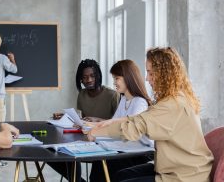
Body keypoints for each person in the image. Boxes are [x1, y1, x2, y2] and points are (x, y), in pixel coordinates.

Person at [88, 47, 214, 182]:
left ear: (164, 74)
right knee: (120, 175)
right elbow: (145, 117)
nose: (147, 78)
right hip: (175, 168)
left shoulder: (172, 105)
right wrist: (110, 122)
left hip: (185, 176)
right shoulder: (175, 98)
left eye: (150, 73)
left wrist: (97, 131)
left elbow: (135, 127)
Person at [48, 59, 118, 182]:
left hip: (105, 141)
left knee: (95, 175)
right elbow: (81, 121)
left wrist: (97, 121)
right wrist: (65, 117)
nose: (89, 80)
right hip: (86, 139)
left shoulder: (112, 95)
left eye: (92, 76)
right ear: (80, 79)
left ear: (98, 76)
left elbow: (118, 123)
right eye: (85, 77)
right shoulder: (82, 95)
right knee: (51, 154)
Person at [89, 59, 154, 182]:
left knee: (103, 163)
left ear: (128, 78)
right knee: (99, 161)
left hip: (140, 153)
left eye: (116, 78)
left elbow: (128, 131)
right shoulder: (124, 99)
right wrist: (90, 125)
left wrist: (96, 131)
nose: (114, 82)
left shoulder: (139, 102)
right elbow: (114, 123)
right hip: (128, 148)